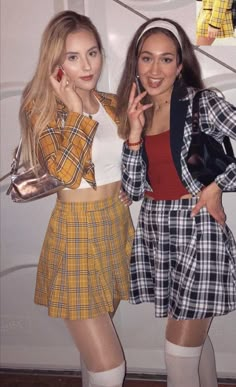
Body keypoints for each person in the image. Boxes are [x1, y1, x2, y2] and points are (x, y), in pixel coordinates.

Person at [116, 17, 236, 387]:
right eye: (147, 58)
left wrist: (218, 184)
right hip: (156, 229)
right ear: (135, 62)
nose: (155, 70)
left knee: (177, 352)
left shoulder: (202, 103)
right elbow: (134, 189)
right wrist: (134, 136)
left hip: (197, 228)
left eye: (166, 59)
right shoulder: (138, 110)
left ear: (180, 65)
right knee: (193, 342)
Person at [19, 10, 134, 387]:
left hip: (115, 229)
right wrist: (76, 113)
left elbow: (129, 162)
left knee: (95, 360)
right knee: (111, 367)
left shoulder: (112, 102)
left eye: (93, 53)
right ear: (56, 63)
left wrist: (130, 183)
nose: (87, 65)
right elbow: (65, 174)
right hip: (77, 235)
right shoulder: (44, 109)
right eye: (73, 57)